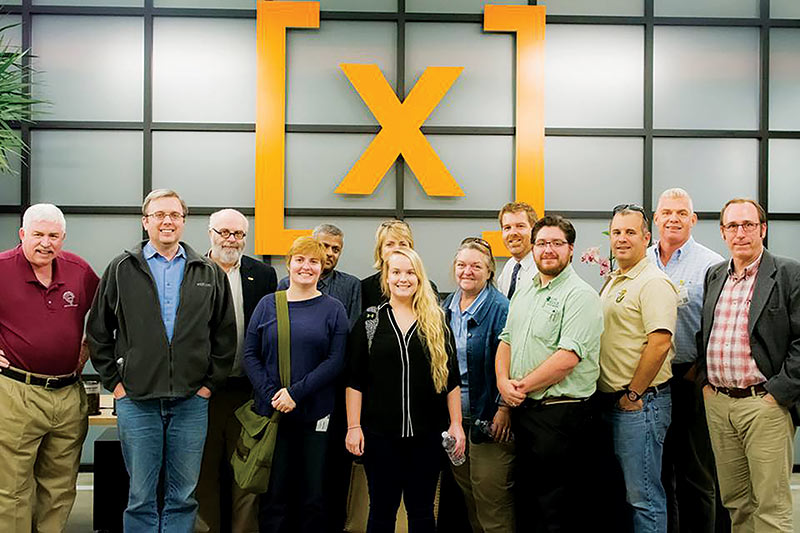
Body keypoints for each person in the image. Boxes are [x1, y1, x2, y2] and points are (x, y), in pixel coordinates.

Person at [87, 189, 237, 532]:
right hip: (136, 400)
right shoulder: (122, 269)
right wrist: (116, 383)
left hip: (191, 401)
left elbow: (225, 333)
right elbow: (98, 329)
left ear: (184, 222)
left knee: (183, 495)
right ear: (146, 222)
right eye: (159, 215)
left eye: (174, 215)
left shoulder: (207, 271)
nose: (167, 221)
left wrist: (208, 386)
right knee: (140, 494)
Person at [697, 198, 800, 533]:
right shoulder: (715, 275)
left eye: (748, 225)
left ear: (763, 229)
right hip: (719, 404)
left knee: (771, 507)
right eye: (732, 226)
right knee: (737, 504)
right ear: (723, 232)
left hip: (764, 406)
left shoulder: (788, 274)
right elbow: (705, 332)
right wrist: (706, 386)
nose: (740, 233)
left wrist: (777, 394)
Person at [496, 215, 604, 532]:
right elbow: (506, 340)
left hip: (562, 417)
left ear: (570, 249)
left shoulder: (580, 295)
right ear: (533, 248)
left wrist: (520, 386)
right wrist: (503, 383)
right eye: (542, 243)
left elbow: (567, 358)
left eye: (557, 243)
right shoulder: (524, 292)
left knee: (558, 509)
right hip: (525, 412)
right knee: (527, 502)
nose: (548, 250)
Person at [346, 247, 465, 533]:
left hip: (426, 437)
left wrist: (457, 424)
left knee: (422, 512)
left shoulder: (437, 321)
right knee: (381, 512)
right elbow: (354, 381)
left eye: (410, 272)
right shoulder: (370, 322)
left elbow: (451, 381)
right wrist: (353, 427)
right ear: (386, 278)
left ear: (420, 278)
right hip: (379, 436)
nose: (403, 278)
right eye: (396, 272)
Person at [0, 203, 100, 533]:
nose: (46, 243)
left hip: (68, 393)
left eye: (54, 236)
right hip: (15, 392)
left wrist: (88, 344)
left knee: (59, 486)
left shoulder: (78, 270)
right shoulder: (1, 268)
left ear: (64, 238)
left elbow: (109, 313)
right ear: (22, 235)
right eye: (38, 235)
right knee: (12, 489)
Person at [243, 236, 349, 533]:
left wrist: (294, 393)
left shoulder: (334, 309)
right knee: (274, 493)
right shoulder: (267, 305)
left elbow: (336, 360)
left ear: (321, 268)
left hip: (317, 415)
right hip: (273, 415)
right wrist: (273, 396)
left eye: (313, 261)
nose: (306, 266)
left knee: (313, 494)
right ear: (288, 264)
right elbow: (250, 355)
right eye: (300, 260)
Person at [647, 189, 725, 533]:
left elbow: (719, 324)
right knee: (658, 471)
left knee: (695, 473)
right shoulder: (642, 260)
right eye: (667, 212)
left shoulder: (711, 264)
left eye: (681, 213)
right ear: (656, 219)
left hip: (690, 376)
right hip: (649, 378)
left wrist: (699, 372)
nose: (673, 219)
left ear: (693, 220)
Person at [597, 204, 678, 533]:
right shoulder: (615, 280)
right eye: (616, 232)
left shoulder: (653, 281)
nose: (622, 239)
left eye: (630, 232)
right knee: (623, 497)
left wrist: (633, 394)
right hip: (611, 403)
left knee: (644, 497)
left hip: (640, 405)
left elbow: (659, 343)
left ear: (647, 238)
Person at [196, 208, 277, 533]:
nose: (232, 240)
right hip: (204, 391)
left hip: (248, 390)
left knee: (248, 474)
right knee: (204, 472)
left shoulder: (263, 274)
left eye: (239, 234)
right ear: (210, 233)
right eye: (224, 232)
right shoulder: (193, 270)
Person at [442, 237, 514, 533]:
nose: (467, 271)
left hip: (489, 417)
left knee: (492, 502)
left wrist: (504, 408)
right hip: (457, 420)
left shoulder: (501, 308)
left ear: (489, 271)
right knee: (470, 498)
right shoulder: (447, 306)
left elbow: (512, 362)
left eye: (475, 266)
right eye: (461, 265)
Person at [278, 223, 361, 328]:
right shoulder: (286, 284)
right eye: (324, 246)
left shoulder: (351, 285)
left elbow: (353, 330)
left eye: (335, 249)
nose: (329, 253)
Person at [361, 219, 438, 311]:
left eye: (403, 244)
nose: (396, 249)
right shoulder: (365, 288)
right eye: (389, 244)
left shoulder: (427, 287)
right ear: (380, 251)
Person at [495, 202, 537, 299]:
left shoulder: (543, 270)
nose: (513, 233)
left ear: (535, 230)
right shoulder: (509, 266)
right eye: (507, 228)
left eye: (520, 226)